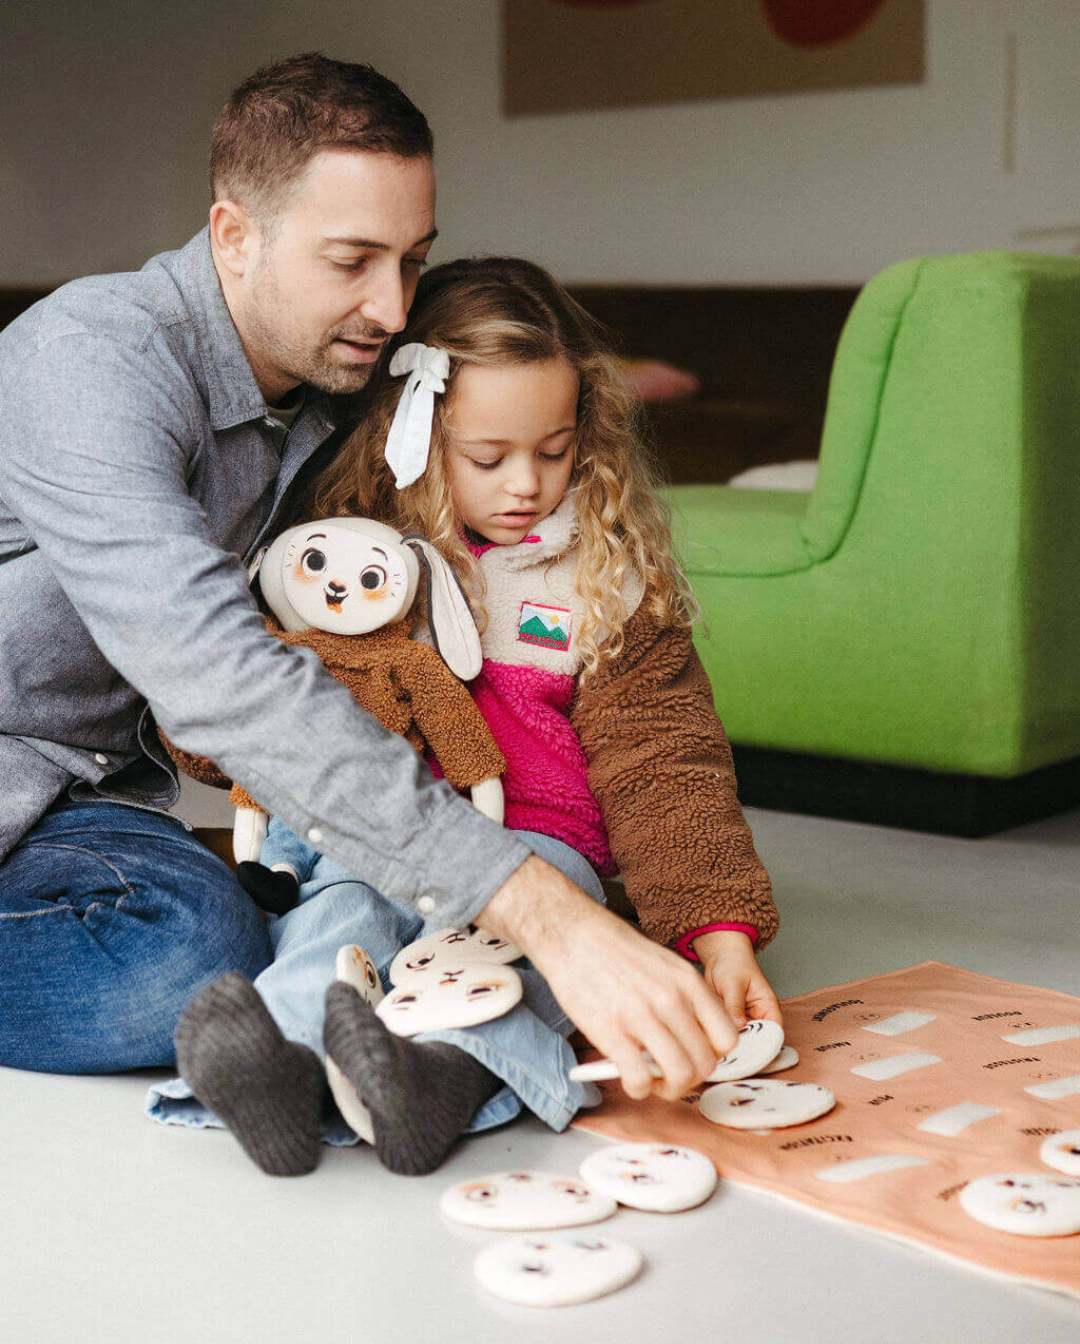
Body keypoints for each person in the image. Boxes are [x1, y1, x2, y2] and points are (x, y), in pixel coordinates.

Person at [0, 54, 750, 1113]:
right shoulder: (89, 361)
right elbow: (211, 666)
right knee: (177, 974)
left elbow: (505, 403)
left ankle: (399, 1057)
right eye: (352, 260)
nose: (392, 306)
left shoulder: (338, 383)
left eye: (412, 260)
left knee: (231, 939)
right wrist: (541, 910)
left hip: (78, 800)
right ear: (233, 235)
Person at [153, 256, 782, 1178]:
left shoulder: (607, 583)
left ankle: (439, 1077)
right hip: (374, 837)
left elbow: (667, 765)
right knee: (337, 916)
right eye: (488, 458)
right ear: (409, 434)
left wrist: (716, 931)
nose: (526, 483)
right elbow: (245, 712)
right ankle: (279, 1066)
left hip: (544, 849)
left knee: (510, 965)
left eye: (556, 450)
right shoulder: (348, 560)